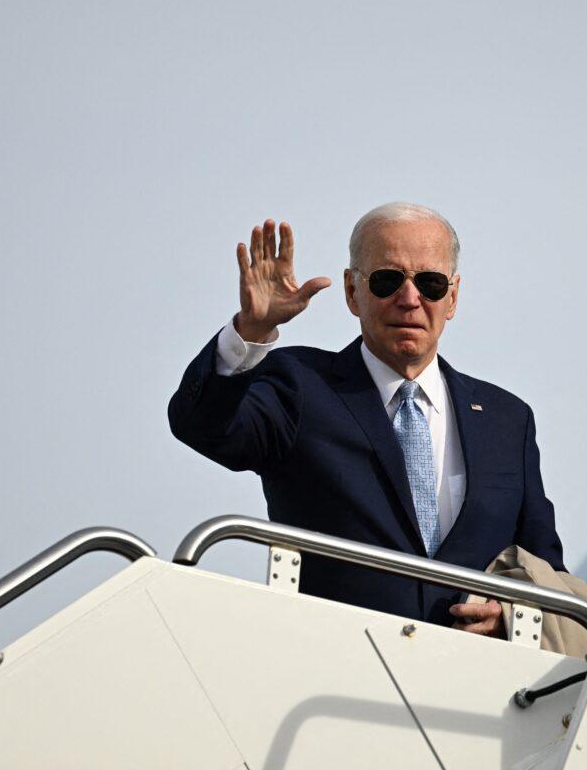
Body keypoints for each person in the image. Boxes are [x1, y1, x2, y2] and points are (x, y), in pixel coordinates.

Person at [168, 202, 566, 635]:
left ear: (452, 298)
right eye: (387, 280)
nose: (409, 299)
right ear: (351, 291)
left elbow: (545, 570)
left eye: (430, 283)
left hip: (474, 688)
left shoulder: (507, 420)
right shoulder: (300, 387)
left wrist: (508, 615)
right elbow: (202, 426)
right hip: (333, 679)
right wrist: (250, 331)